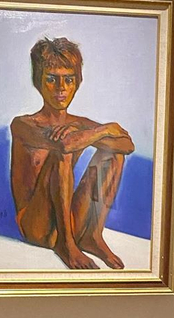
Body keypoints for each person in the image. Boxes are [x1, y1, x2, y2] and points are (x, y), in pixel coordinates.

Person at [10, 37, 135, 271]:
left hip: (70, 218)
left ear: (77, 83)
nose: (61, 88)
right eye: (52, 79)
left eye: (69, 80)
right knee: (62, 153)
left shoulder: (78, 124)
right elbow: (65, 145)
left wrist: (88, 130)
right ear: (38, 82)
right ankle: (66, 244)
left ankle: (92, 236)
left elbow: (127, 145)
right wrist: (104, 130)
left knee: (113, 154)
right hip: (36, 226)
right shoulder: (24, 124)